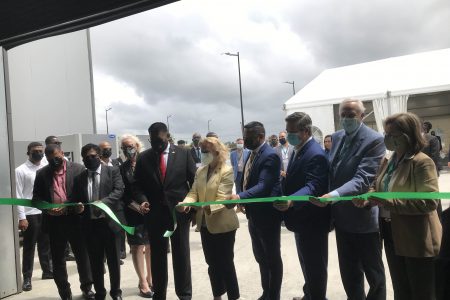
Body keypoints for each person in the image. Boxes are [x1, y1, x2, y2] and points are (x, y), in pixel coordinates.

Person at [358, 112, 441, 300]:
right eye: (386, 134)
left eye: (392, 134)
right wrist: (368, 198)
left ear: (408, 135)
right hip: (391, 232)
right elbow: (375, 186)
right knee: (401, 290)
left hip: (416, 237)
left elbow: (429, 202)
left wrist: (386, 201)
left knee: (421, 292)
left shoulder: (422, 162)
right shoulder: (389, 160)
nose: (387, 139)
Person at [311, 99, 386, 300]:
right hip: (341, 218)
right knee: (349, 272)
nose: (345, 118)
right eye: (342, 114)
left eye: (351, 114)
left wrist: (333, 195)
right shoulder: (336, 137)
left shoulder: (375, 140)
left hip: (363, 218)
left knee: (374, 274)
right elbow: (332, 171)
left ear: (362, 116)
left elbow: (362, 179)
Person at [133, 122, 196, 300]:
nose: (156, 144)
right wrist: (143, 201)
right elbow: (137, 186)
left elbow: (194, 183)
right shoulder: (144, 158)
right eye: (152, 141)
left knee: (181, 256)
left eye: (159, 140)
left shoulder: (183, 153)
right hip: (155, 215)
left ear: (167, 136)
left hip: (179, 214)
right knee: (158, 258)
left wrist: (191, 206)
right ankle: (159, 294)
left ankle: (184, 295)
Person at [274, 113, 330, 300]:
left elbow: (313, 186)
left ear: (305, 131)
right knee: (307, 263)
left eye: (291, 132)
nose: (288, 136)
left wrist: (291, 199)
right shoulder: (299, 149)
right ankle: (310, 295)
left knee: (315, 266)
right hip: (301, 219)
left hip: (312, 220)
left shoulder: (315, 154)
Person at [177, 136, 240, 300]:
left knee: (226, 263)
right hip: (205, 224)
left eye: (206, 151)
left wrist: (208, 207)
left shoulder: (226, 170)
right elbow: (193, 192)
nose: (203, 154)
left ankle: (233, 296)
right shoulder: (200, 170)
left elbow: (223, 196)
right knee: (212, 264)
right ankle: (217, 295)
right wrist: (186, 203)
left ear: (216, 151)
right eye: (202, 151)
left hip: (223, 224)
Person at [32, 144, 94, 300]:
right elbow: (36, 199)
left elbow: (86, 193)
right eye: (51, 159)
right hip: (54, 223)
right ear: (47, 158)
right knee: (58, 259)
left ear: (62, 153)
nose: (55, 162)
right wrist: (47, 209)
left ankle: (87, 288)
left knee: (82, 256)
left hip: (76, 220)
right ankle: (65, 293)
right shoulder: (41, 174)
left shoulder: (78, 169)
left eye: (57, 158)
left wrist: (75, 206)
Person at [229, 121, 283, 300]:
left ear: (260, 137)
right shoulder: (251, 154)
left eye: (248, 137)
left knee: (272, 259)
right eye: (243, 136)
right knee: (261, 257)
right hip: (253, 215)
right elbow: (247, 179)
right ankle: (266, 292)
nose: (244, 140)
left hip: (267, 216)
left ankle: (273, 296)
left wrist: (240, 197)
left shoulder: (270, 156)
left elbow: (263, 186)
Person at [72, 143, 125, 300]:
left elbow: (119, 191)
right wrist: (78, 207)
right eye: (86, 157)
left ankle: (116, 292)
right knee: (95, 263)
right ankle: (100, 293)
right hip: (91, 227)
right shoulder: (80, 178)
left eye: (93, 156)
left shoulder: (112, 171)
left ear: (100, 156)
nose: (90, 159)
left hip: (110, 225)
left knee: (114, 262)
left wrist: (102, 203)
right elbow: (75, 199)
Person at [119, 134, 154, 298]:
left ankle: (151, 278)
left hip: (151, 210)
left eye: (131, 145)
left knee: (151, 245)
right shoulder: (121, 168)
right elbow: (123, 194)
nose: (128, 149)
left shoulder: (148, 162)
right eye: (124, 147)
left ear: (138, 146)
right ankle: (143, 282)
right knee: (136, 246)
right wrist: (136, 207)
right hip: (132, 212)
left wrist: (147, 203)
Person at [16, 142, 53, 292]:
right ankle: (27, 278)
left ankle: (47, 271)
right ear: (28, 153)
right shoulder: (20, 170)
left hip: (44, 212)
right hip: (30, 214)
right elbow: (18, 195)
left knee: (45, 244)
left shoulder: (45, 168)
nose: (39, 154)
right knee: (29, 247)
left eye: (40, 151)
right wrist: (21, 217)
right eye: (35, 151)